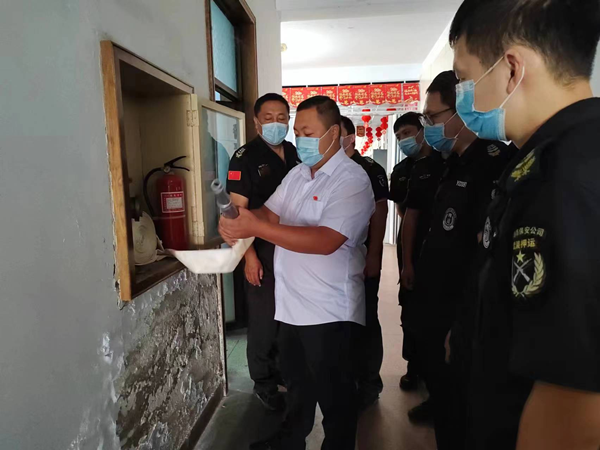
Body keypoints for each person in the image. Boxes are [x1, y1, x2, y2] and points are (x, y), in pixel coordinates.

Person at [450, 1, 600, 449]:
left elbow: (571, 394)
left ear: (512, 69)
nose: (462, 96)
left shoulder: (566, 175)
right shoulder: (555, 154)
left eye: (463, 78)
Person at [220, 96, 374, 450]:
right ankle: (290, 440)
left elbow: (326, 240)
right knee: (296, 384)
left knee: (335, 395)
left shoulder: (351, 180)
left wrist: (256, 229)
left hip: (329, 310)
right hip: (290, 305)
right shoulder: (298, 174)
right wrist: (240, 221)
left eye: (309, 133)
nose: (300, 139)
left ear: (333, 133)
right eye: (298, 132)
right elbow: (269, 214)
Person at [413, 70, 511, 448]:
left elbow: (487, 254)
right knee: (444, 397)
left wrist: (464, 322)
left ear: (461, 113)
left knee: (463, 406)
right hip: (438, 301)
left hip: (462, 309)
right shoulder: (450, 161)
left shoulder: (493, 164)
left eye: (433, 117)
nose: (429, 126)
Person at [226, 93, 300, 411]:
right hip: (261, 251)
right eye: (268, 118)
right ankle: (264, 381)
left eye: (281, 117)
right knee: (264, 320)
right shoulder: (244, 158)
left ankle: (284, 371)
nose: (275, 123)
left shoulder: (294, 152)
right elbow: (236, 213)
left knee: (288, 317)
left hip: (293, 249)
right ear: (256, 122)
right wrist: (250, 257)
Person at [340, 116, 389, 409]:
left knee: (366, 317)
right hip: (335, 261)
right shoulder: (324, 169)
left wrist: (374, 255)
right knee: (341, 320)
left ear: (350, 138)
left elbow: (380, 213)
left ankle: (369, 382)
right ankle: (346, 379)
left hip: (363, 257)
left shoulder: (369, 169)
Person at [395, 113, 444, 399]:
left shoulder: (446, 161)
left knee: (436, 313)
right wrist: (407, 261)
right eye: (399, 136)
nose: (404, 140)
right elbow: (405, 212)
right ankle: (413, 366)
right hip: (412, 247)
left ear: (422, 130)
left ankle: (434, 372)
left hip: (441, 248)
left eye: (407, 132)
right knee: (410, 308)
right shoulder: (404, 169)